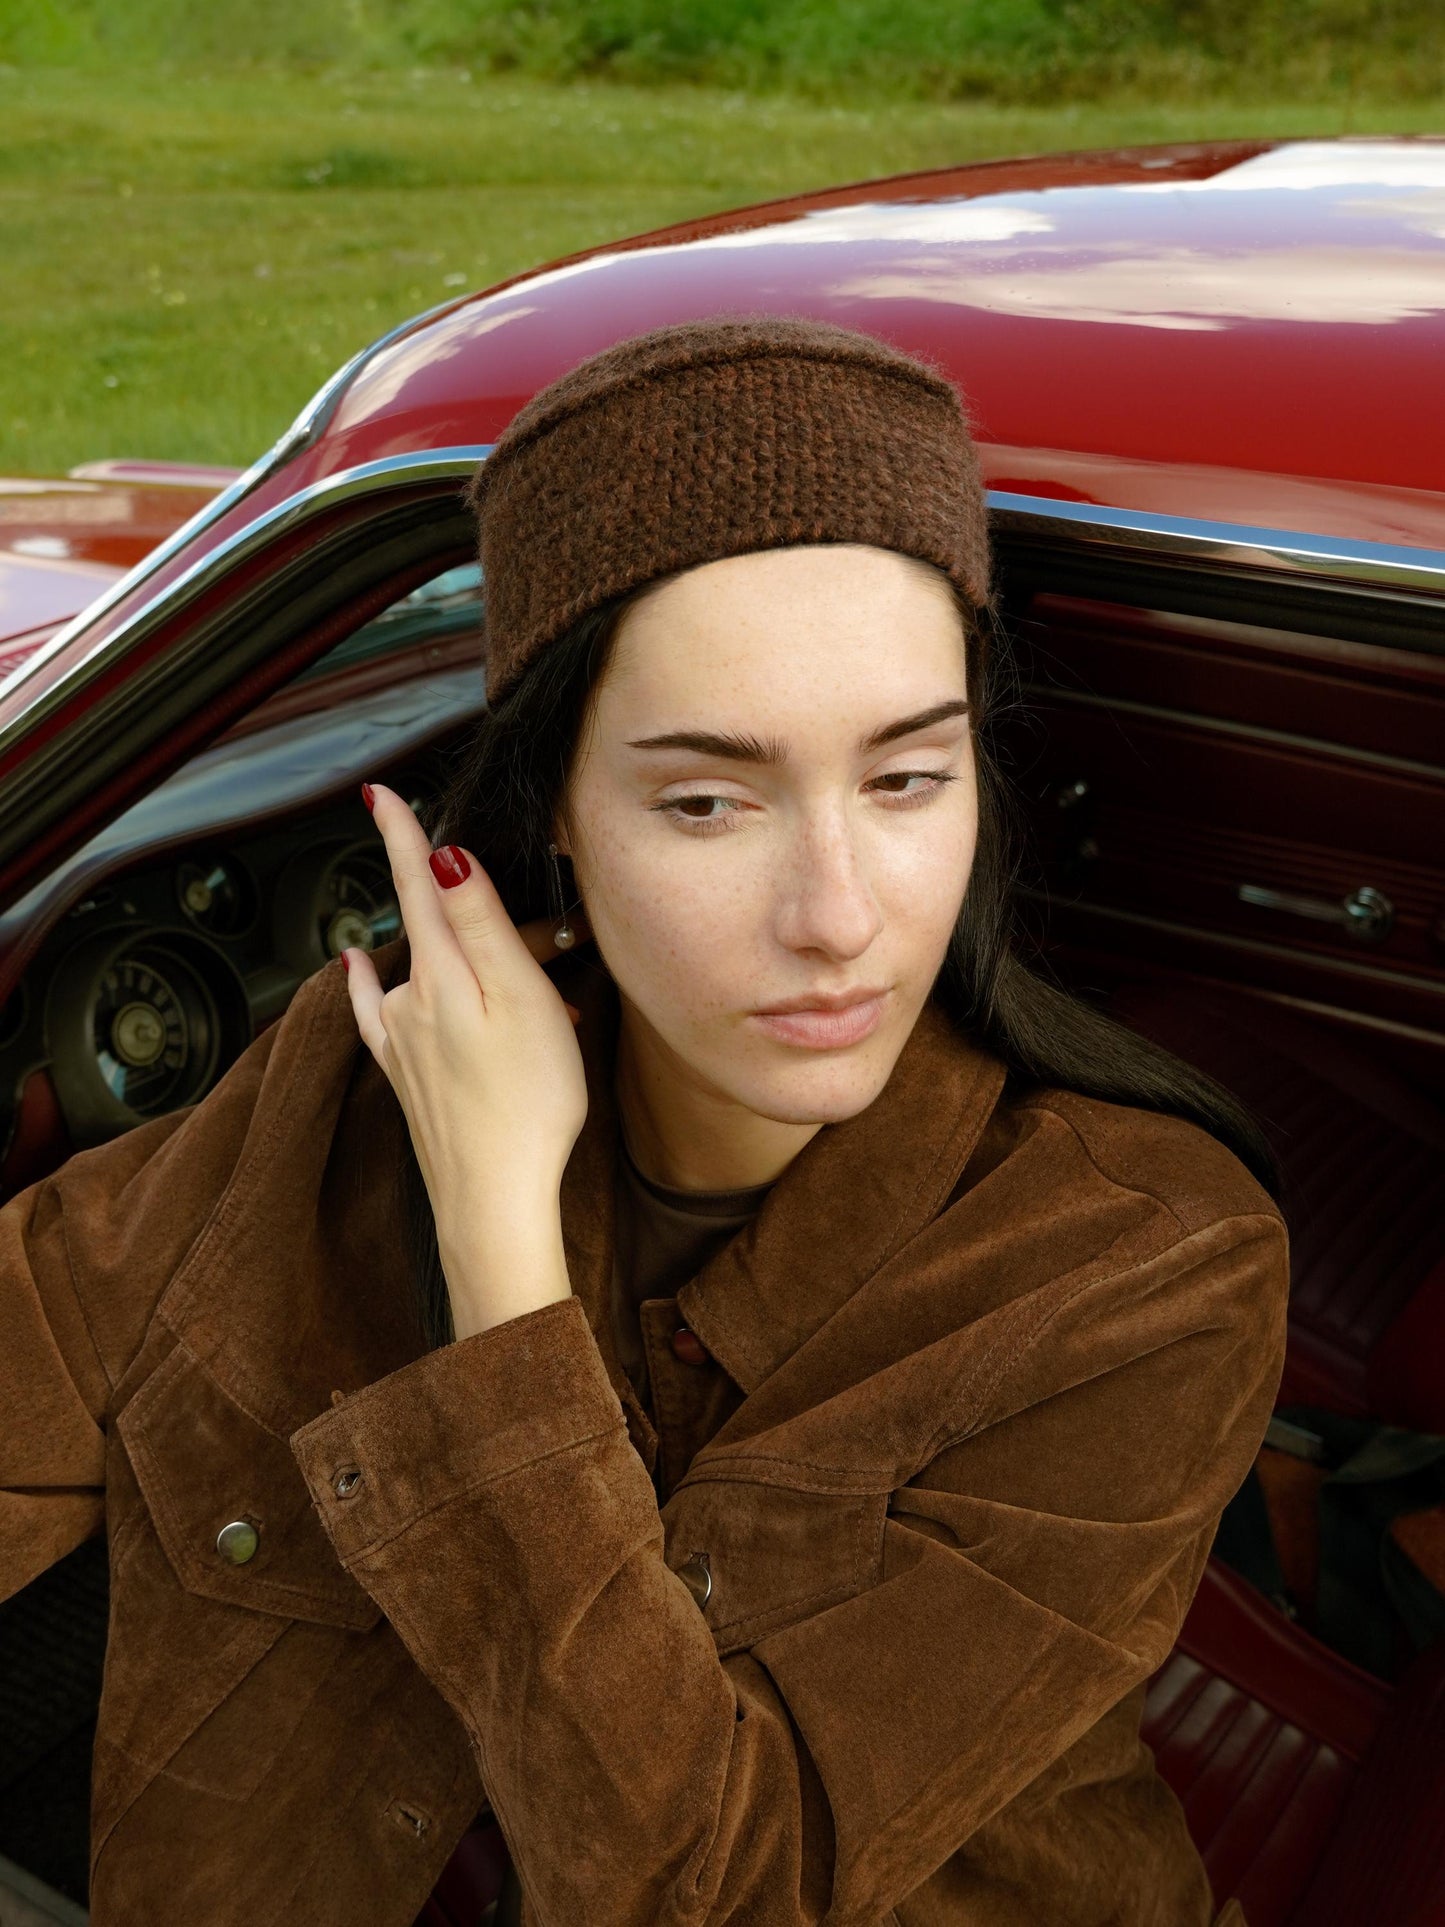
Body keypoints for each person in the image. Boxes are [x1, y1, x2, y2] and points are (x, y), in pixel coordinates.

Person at [2, 315, 1288, 1927]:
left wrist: (497, 1249)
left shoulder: (1140, 1260)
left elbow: (705, 1890)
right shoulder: (374, 1063)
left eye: (905, 782)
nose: (837, 917)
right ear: (551, 809)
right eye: (705, 802)